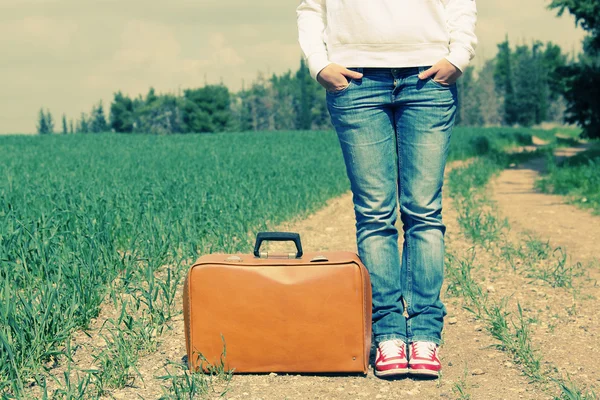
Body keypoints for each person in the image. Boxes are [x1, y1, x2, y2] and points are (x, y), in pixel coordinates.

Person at [296, 0, 477, 378]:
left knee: (423, 212)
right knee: (375, 214)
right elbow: (311, 7)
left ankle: (425, 333)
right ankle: (389, 334)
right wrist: (319, 63)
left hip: (428, 78)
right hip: (355, 79)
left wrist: (459, 55)